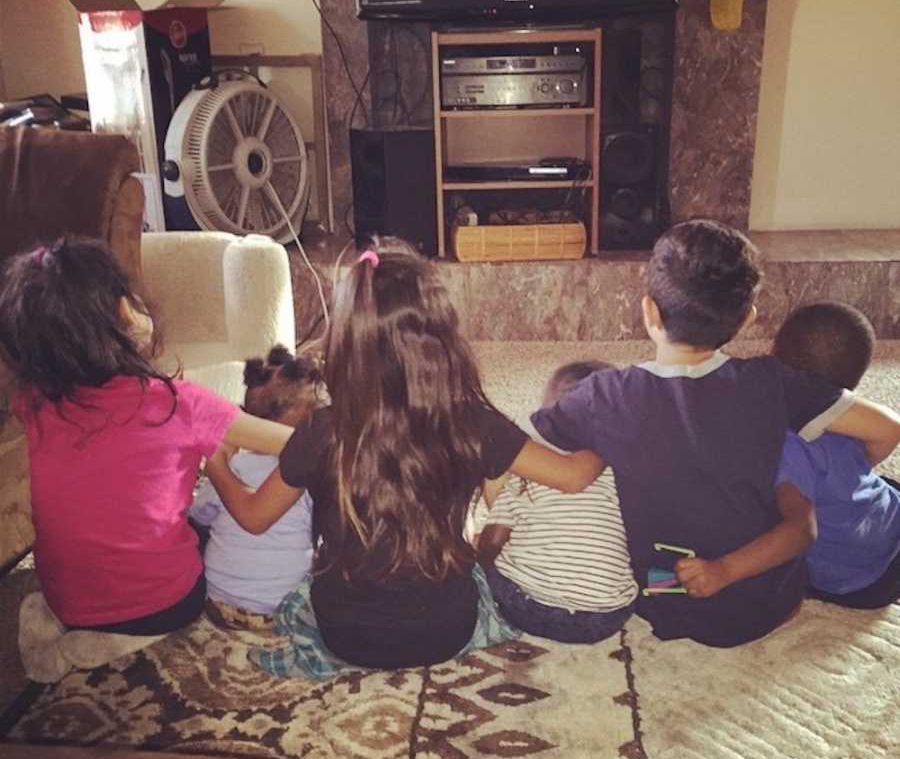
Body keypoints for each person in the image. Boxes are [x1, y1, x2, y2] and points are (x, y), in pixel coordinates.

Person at [204, 237, 603, 672]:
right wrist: (608, 427)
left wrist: (216, 464)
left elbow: (253, 516)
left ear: (344, 344)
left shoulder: (320, 430)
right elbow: (573, 476)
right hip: (446, 630)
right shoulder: (472, 421)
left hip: (344, 633)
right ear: (442, 341)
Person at [531, 219, 900, 647]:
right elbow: (888, 428)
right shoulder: (774, 383)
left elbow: (529, 446)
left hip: (664, 592)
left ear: (649, 310)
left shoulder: (604, 395)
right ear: (746, 320)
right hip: (764, 599)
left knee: (640, 561)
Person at [0, 237, 292, 682]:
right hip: (166, 608)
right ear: (123, 313)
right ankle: (116, 637)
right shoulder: (179, 403)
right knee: (205, 530)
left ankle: (79, 632)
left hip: (67, 601)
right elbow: (286, 443)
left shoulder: (35, 401)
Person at [478, 360, 637, 643]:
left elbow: (492, 541)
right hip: (604, 618)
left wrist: (481, 563)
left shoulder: (526, 474)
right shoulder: (625, 475)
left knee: (492, 560)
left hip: (528, 609)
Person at [768, 302, 900, 608]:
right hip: (888, 528)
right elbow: (875, 452)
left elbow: (796, 530)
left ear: (774, 355)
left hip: (859, 586)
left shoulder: (781, 442)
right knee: (878, 485)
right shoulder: (851, 422)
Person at [191, 345, 322, 632]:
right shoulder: (310, 474)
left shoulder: (231, 467)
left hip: (219, 603)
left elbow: (199, 515)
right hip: (283, 607)